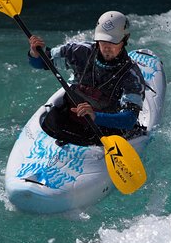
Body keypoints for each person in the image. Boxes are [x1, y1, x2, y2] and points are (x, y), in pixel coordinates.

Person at [27, 11, 146, 146]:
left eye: (113, 42)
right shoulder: (80, 52)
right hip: (73, 121)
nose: (107, 48)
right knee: (53, 118)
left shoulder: (131, 75)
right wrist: (35, 53)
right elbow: (41, 62)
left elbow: (129, 119)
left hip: (104, 130)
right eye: (103, 41)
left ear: (125, 39)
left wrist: (96, 116)